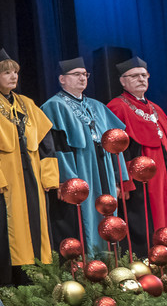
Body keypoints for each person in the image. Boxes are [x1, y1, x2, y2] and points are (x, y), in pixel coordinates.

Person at [39, 57, 129, 256]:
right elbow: (57, 147)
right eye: (76, 74)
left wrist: (118, 178)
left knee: (108, 214)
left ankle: (110, 261)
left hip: (103, 166)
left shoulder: (97, 106)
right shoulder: (54, 106)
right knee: (83, 218)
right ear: (62, 79)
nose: (82, 78)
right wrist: (67, 181)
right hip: (80, 169)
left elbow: (116, 143)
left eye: (85, 74)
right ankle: (89, 262)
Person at [0, 49, 59, 282]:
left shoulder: (27, 103)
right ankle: (13, 280)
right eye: (7, 72)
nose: (13, 76)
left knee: (37, 223)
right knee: (9, 226)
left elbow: (46, 142)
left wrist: (49, 176)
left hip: (32, 173)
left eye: (15, 72)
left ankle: (41, 275)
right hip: (6, 176)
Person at [108, 56, 167, 253]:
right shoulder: (117, 107)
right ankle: (148, 264)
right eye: (134, 76)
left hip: (164, 177)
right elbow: (116, 150)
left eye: (144, 75)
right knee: (144, 222)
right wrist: (123, 181)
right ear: (122, 81)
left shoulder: (155, 108)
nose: (141, 79)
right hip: (139, 180)